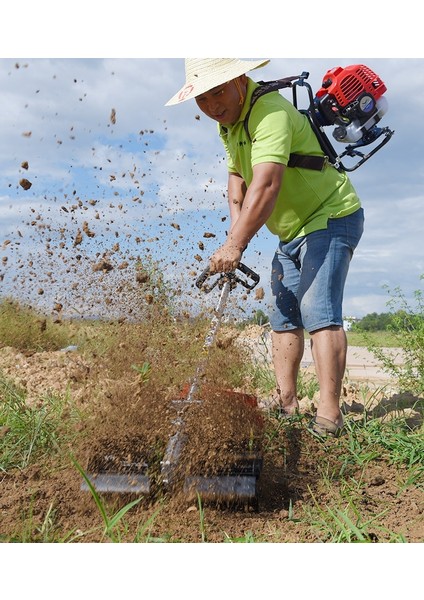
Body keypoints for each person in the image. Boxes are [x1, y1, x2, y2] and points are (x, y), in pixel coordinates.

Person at [166, 58, 364, 437]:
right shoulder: (230, 124)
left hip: (330, 215)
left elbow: (268, 185)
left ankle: (329, 415)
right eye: (202, 99)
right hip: (290, 232)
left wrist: (236, 243)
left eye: (218, 93)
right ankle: (286, 402)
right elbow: (238, 179)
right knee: (283, 314)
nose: (212, 106)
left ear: (239, 80)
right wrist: (233, 235)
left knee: (317, 309)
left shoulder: (269, 112)